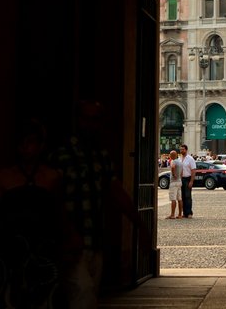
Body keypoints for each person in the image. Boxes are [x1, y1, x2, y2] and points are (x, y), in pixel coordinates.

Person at [50, 100, 146, 309]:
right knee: (82, 294)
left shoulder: (100, 156)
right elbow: (52, 198)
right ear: (78, 121)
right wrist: (67, 232)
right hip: (71, 242)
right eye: (87, 119)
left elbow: (116, 191)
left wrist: (139, 224)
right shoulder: (62, 154)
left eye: (96, 120)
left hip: (95, 240)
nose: (91, 125)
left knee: (90, 293)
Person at [0, 118, 67, 309]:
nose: (25, 147)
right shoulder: (4, 177)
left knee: (42, 297)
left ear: (41, 145)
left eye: (30, 142)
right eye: (21, 142)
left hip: (41, 249)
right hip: (10, 250)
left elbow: (59, 214)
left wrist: (65, 245)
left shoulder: (52, 177)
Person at [179, 144, 196, 218]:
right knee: (182, 197)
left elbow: (193, 170)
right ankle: (184, 213)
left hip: (187, 178)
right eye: (181, 149)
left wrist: (191, 181)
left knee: (188, 196)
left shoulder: (190, 159)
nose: (181, 150)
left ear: (186, 150)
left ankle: (189, 213)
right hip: (180, 179)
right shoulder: (179, 158)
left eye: (183, 149)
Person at [166, 150, 183, 219]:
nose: (169, 156)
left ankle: (172, 214)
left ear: (173, 155)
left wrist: (173, 174)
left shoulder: (173, 161)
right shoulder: (180, 162)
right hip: (179, 181)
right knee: (179, 199)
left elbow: (173, 167)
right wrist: (179, 177)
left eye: (170, 155)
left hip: (173, 182)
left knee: (173, 199)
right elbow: (182, 172)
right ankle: (180, 214)